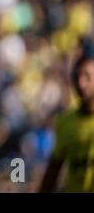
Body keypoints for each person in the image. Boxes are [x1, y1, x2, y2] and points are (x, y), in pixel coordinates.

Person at [40, 43, 94, 192]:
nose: (81, 83)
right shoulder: (65, 122)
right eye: (78, 77)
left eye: (87, 77)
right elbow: (53, 169)